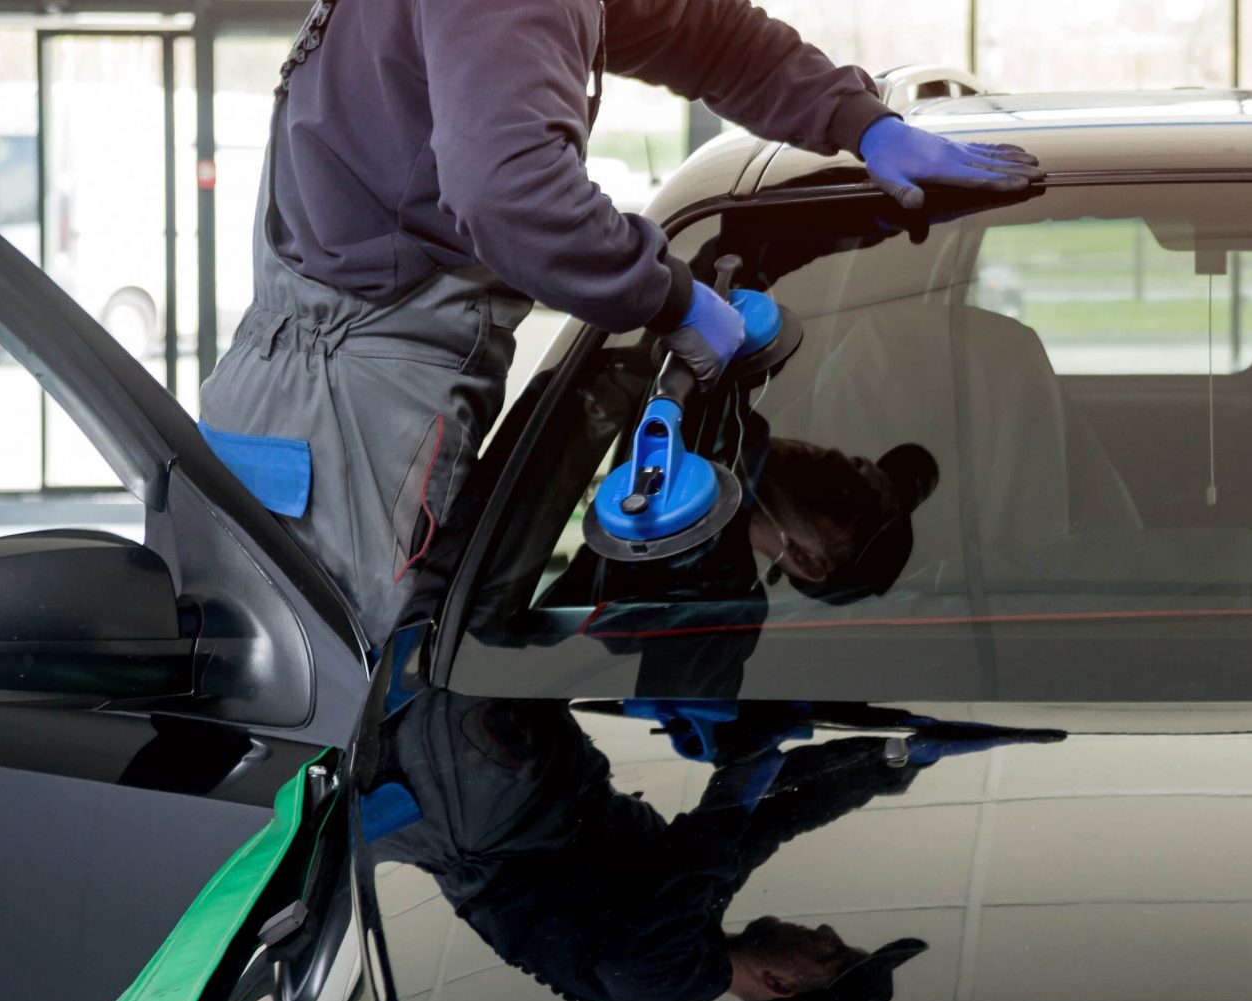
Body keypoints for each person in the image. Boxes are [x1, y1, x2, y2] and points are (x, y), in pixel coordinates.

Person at [198, 0, 1043, 642]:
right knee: (345, 732)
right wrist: (673, 300)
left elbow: (704, 34)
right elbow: (510, 194)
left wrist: (860, 121)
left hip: (329, 376)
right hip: (340, 405)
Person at [366, 690, 1058, 1001]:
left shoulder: (668, 977)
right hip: (531, 782)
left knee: (425, 636)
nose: (826, 931)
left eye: (833, 954)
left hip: (486, 802)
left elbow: (703, 854)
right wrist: (893, 761)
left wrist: (742, 769)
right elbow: (768, 823)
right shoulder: (700, 939)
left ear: (781, 985)